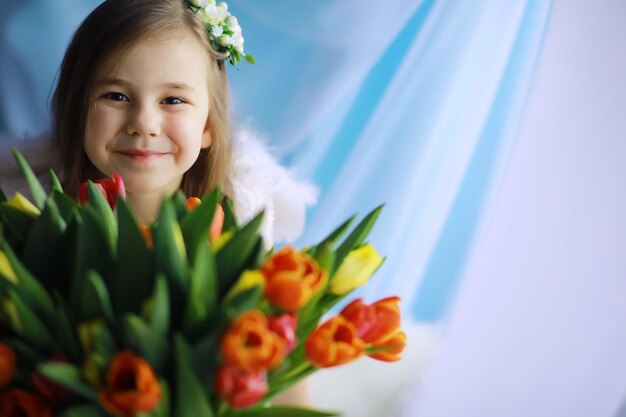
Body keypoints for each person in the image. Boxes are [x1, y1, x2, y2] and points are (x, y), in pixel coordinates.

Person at [2, 0, 313, 405]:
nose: (143, 123)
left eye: (173, 101)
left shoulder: (240, 233)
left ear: (208, 128)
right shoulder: (34, 223)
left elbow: (281, 372)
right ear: (78, 111)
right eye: (115, 95)